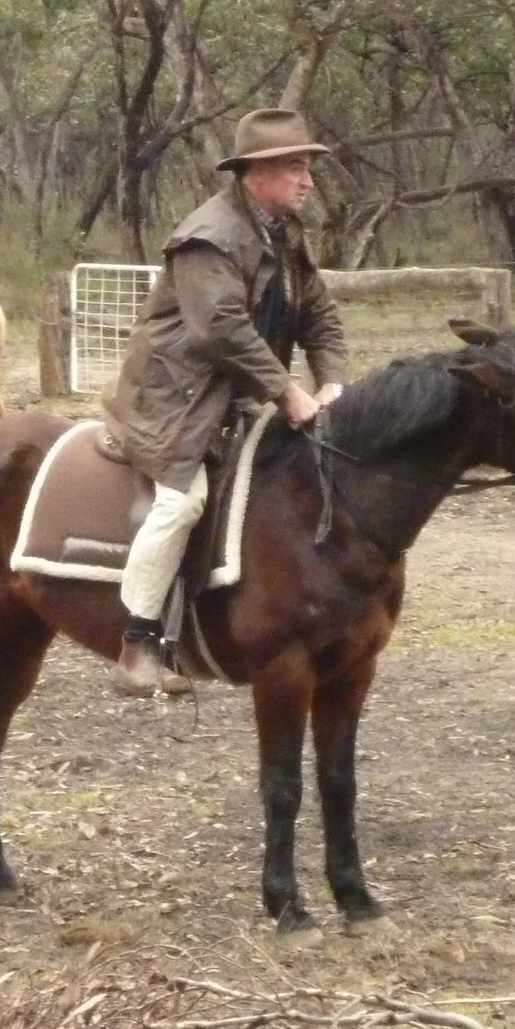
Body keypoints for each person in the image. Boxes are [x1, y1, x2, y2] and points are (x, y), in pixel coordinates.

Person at [99, 107, 351, 697]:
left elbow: (321, 317)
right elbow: (219, 329)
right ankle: (136, 647)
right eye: (295, 167)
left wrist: (331, 380)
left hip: (235, 394)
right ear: (255, 174)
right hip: (175, 396)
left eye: (308, 166)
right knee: (182, 503)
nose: (308, 179)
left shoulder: (284, 235)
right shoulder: (207, 238)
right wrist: (287, 390)